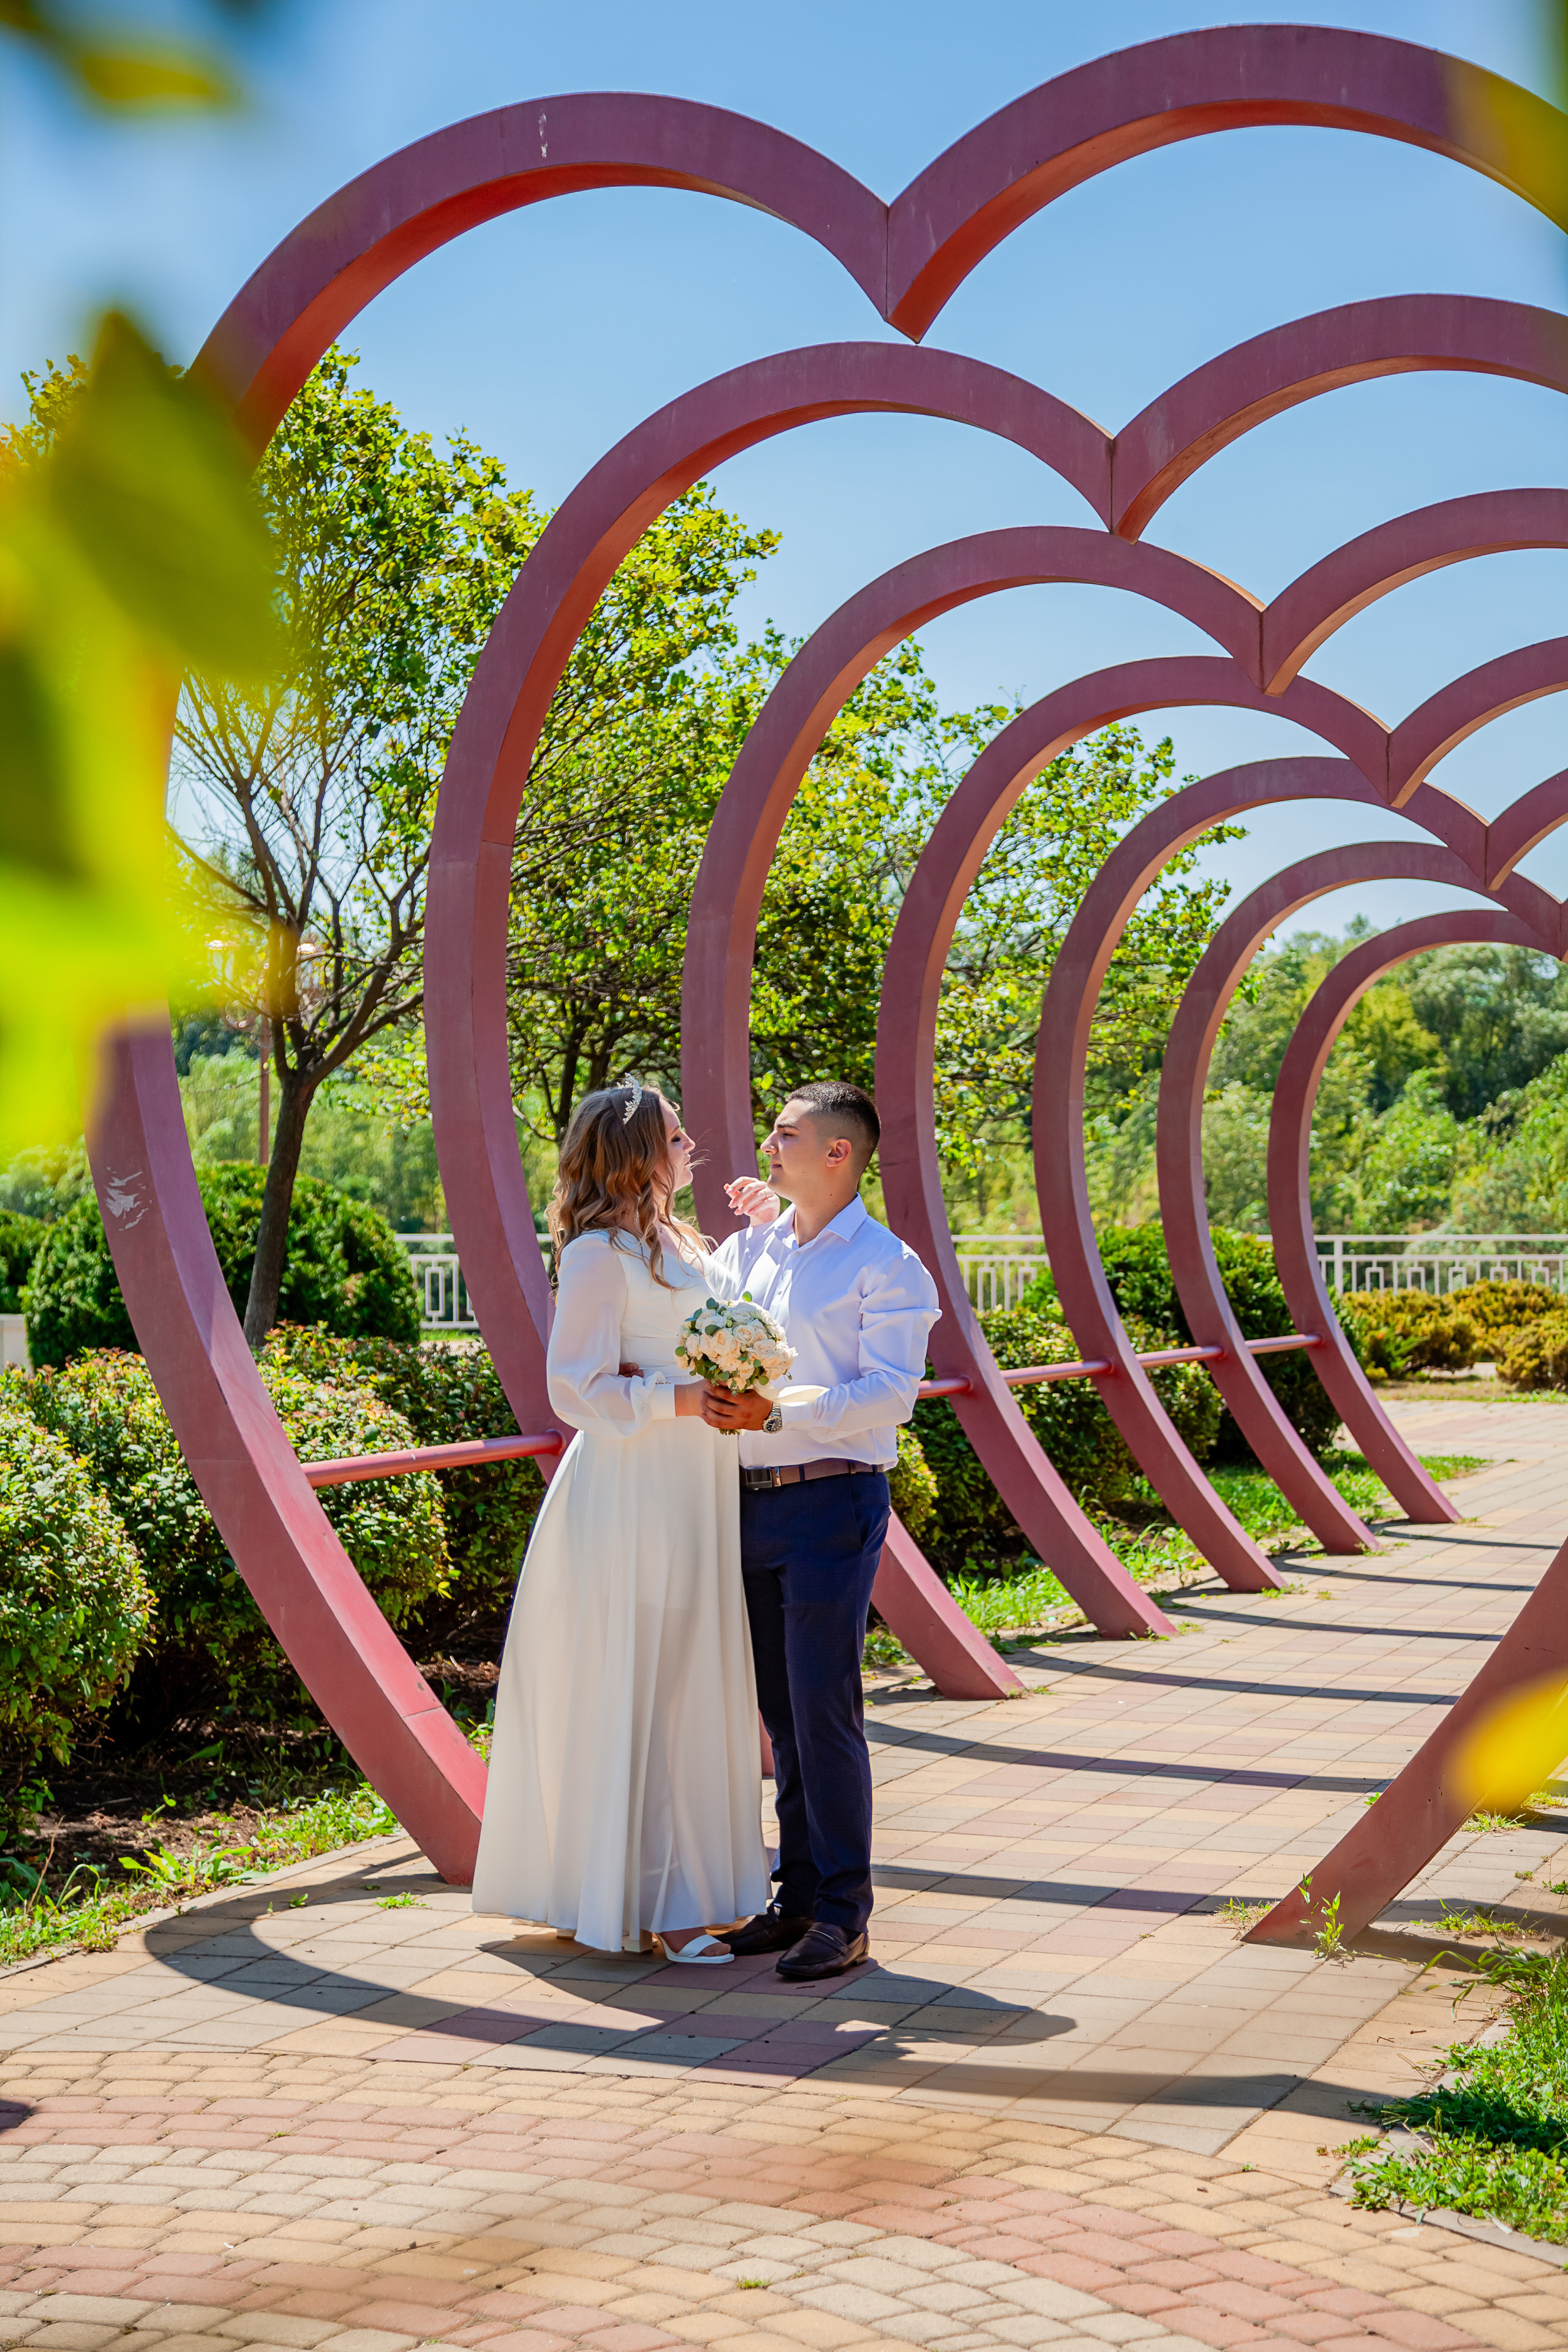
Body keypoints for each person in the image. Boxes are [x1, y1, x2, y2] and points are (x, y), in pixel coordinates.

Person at [471, 1080, 771, 1961]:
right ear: (641, 1155)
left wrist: (764, 1232)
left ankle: (674, 1885)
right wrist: (684, 1400)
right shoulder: (598, 1254)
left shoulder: (683, 1242)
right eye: (678, 1136)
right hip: (632, 1495)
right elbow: (574, 1388)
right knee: (644, 1688)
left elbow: (734, 1319)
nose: (691, 1148)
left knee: (687, 1684)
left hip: (695, 1487)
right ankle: (655, 1902)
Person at [703, 1081, 940, 1981]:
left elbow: (890, 1394)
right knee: (782, 1715)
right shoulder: (752, 1249)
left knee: (824, 1710)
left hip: (833, 1503)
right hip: (748, 1503)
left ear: (838, 1152)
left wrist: (774, 1412)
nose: (768, 1144)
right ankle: (796, 1898)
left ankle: (845, 1913)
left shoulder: (887, 1265)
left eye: (786, 1135)